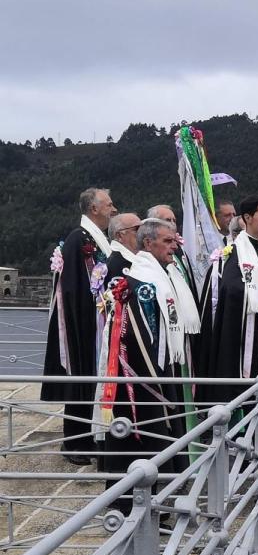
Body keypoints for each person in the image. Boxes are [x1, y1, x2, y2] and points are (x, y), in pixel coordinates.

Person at [101, 219, 197, 511]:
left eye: (174, 240)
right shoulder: (142, 285)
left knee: (158, 440)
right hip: (141, 381)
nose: (174, 246)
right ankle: (136, 507)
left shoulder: (157, 276)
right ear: (148, 243)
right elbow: (139, 337)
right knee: (143, 440)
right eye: (167, 241)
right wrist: (156, 380)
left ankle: (154, 502)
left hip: (160, 371)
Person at [195, 194, 258, 407]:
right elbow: (231, 288)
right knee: (257, 387)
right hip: (252, 336)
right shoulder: (237, 252)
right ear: (247, 218)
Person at [43, 187, 117, 464]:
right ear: (93, 209)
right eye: (109, 205)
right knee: (80, 381)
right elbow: (73, 287)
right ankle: (74, 442)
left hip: (95, 320)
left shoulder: (94, 238)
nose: (113, 209)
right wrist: (87, 318)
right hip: (84, 323)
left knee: (90, 382)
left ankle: (89, 437)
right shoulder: (80, 239)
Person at [147, 204, 198, 300]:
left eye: (174, 220)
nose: (172, 224)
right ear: (154, 223)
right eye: (167, 220)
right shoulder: (153, 253)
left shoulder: (179, 247)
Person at [104, 213, 141, 286]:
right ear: (119, 236)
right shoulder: (116, 265)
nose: (143, 233)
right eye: (137, 229)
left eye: (143, 229)